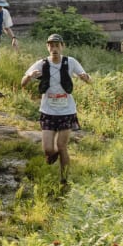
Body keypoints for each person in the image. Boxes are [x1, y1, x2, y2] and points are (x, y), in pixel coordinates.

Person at [20, 33, 92, 186]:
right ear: (47, 47)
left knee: (61, 145)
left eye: (57, 45)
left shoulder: (70, 62)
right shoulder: (42, 63)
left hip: (67, 111)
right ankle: (54, 156)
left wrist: (86, 78)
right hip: (47, 111)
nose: (54, 48)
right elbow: (23, 82)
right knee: (48, 149)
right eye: (51, 45)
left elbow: (86, 78)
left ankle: (64, 179)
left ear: (62, 47)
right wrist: (30, 76)